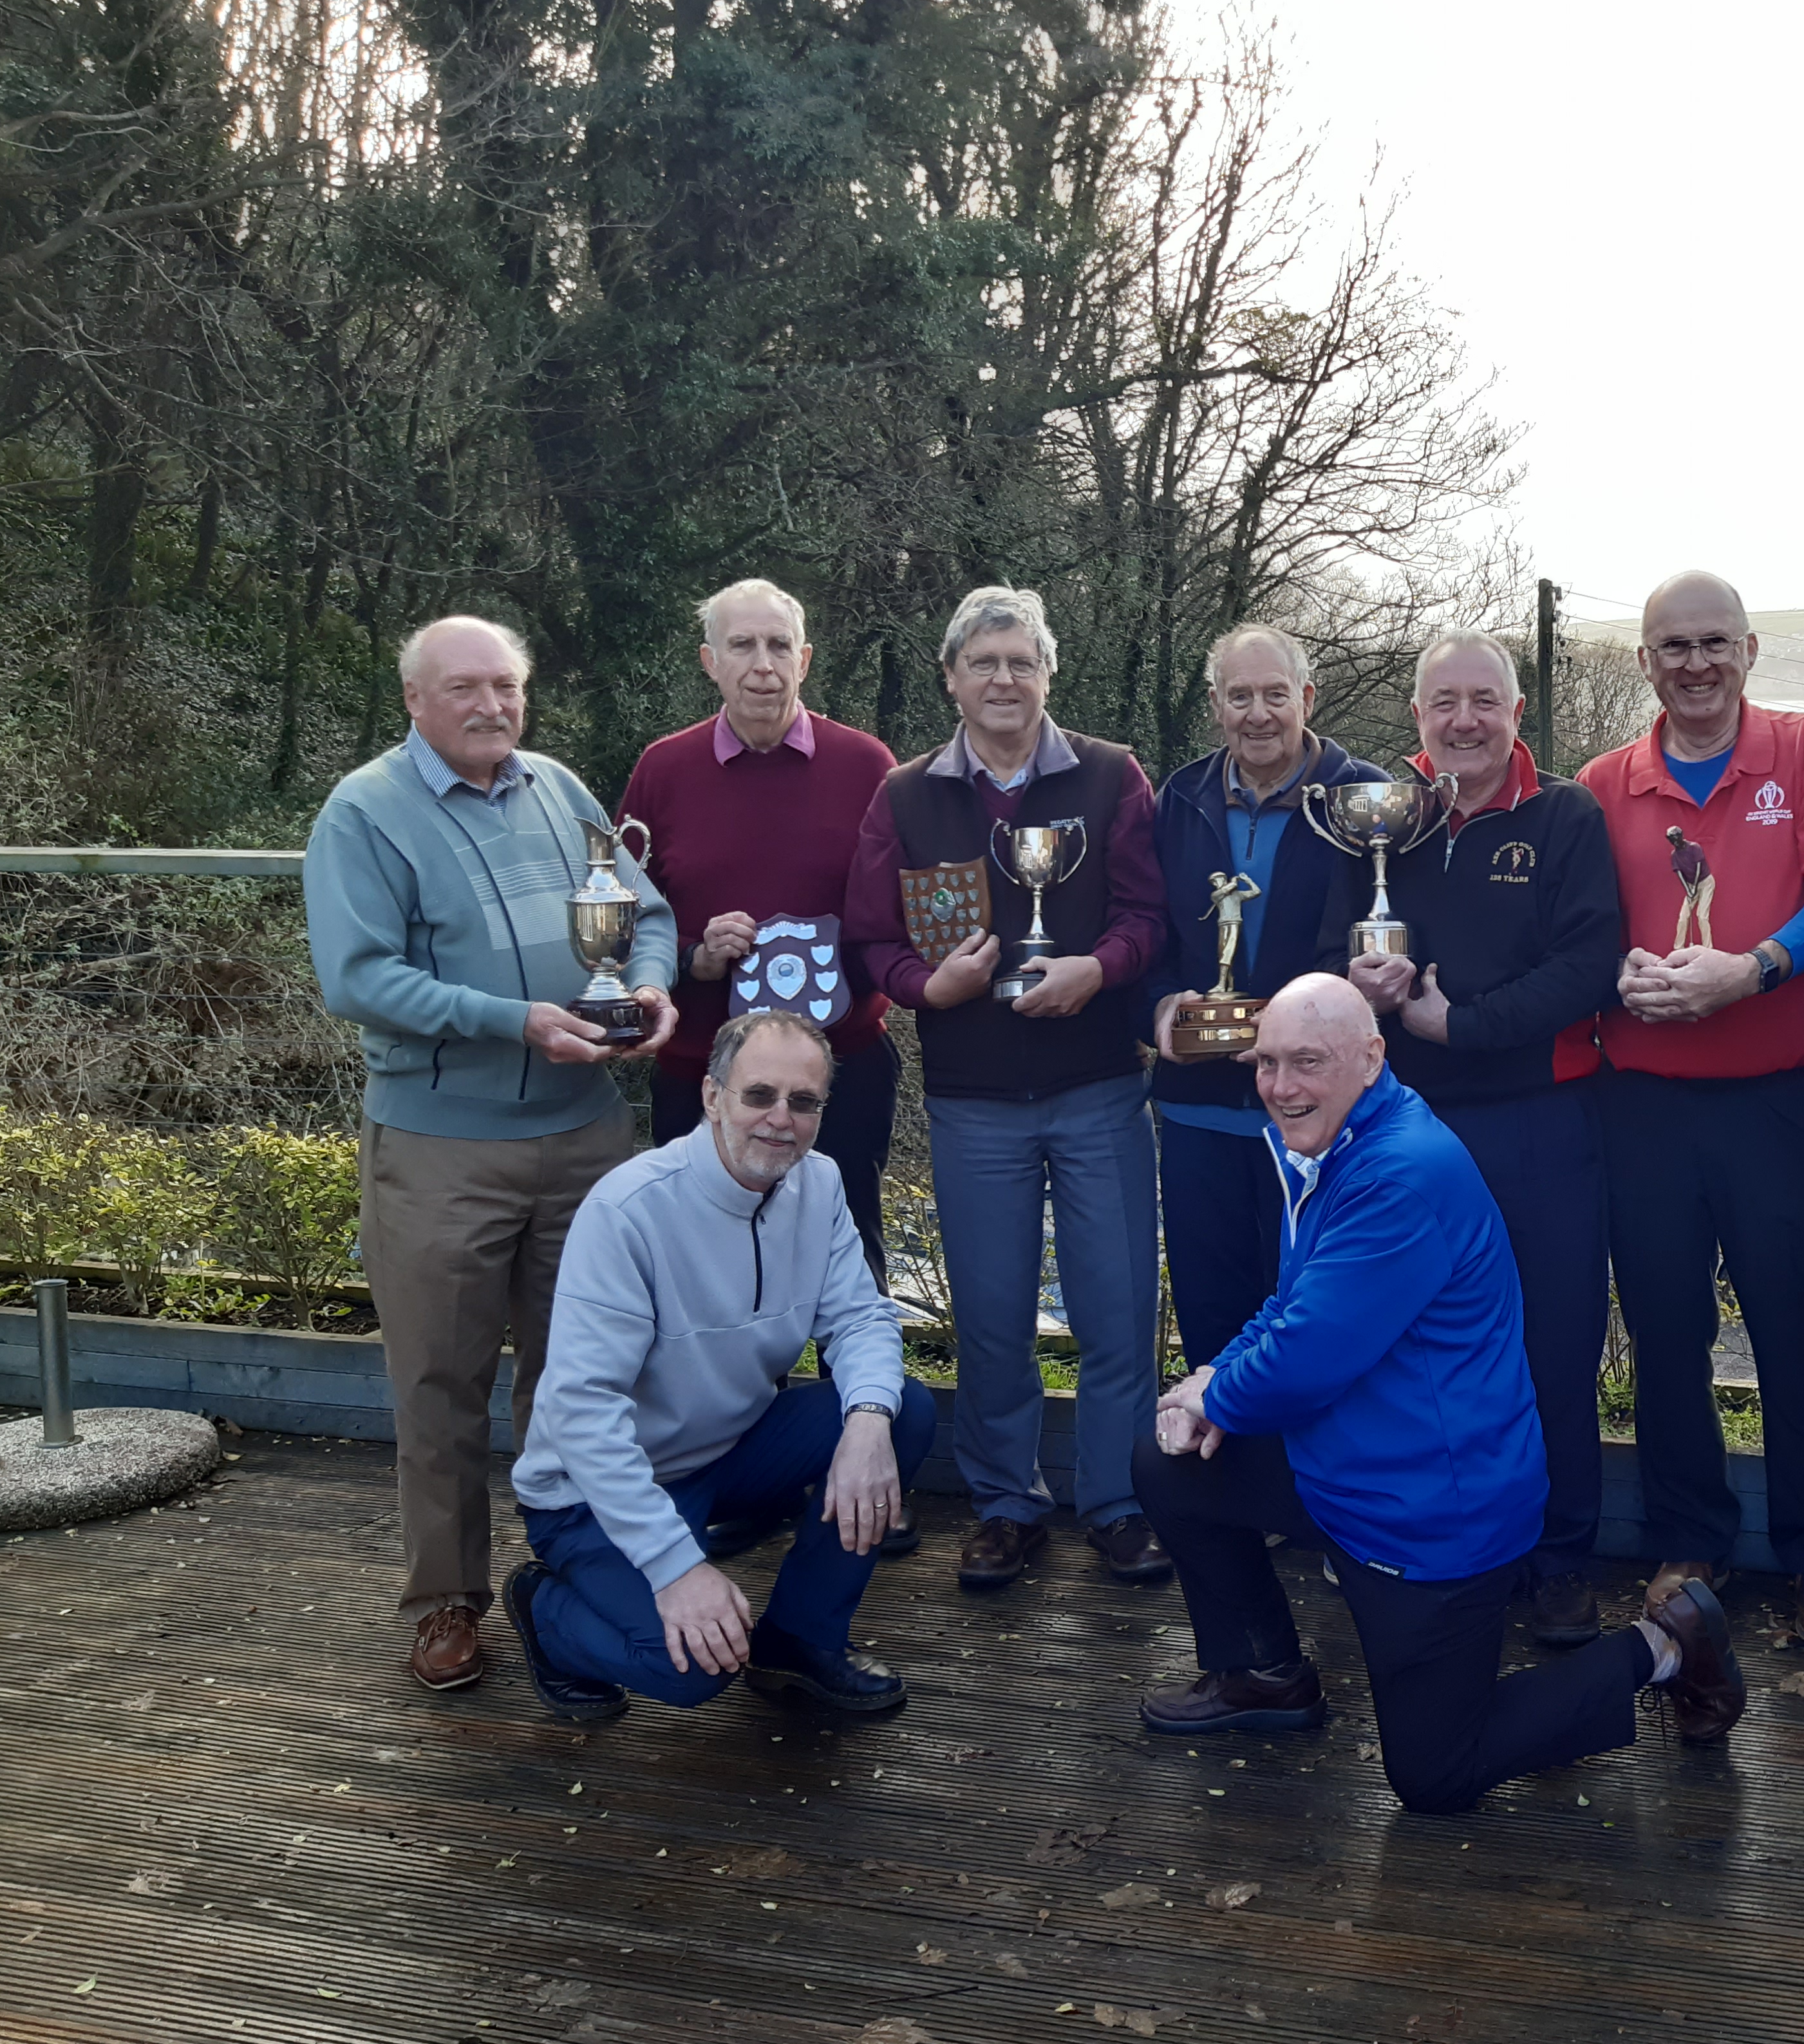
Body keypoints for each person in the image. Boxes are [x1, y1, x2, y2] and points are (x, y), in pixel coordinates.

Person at [1130, 976, 1747, 1814]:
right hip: (1348, 1470)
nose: (1280, 1086)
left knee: (1436, 1773)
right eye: (1268, 1061)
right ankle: (1265, 1676)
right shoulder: (1333, 1142)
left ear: (1372, 1057)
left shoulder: (1399, 1173)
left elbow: (1311, 1353)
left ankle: (1664, 1644)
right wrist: (1213, 1385)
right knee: (1169, 1460)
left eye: (1307, 1062)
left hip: (1432, 1511)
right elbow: (1295, 1303)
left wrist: (1222, 1393)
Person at [303, 615, 676, 1691]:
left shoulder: (560, 788)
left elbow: (644, 913)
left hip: (584, 1139)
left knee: (589, 1380)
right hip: (440, 1148)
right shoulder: (365, 813)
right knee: (440, 1384)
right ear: (413, 698)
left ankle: (588, 1581)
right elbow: (358, 979)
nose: (490, 706)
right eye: (464, 687)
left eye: (505, 686)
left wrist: (647, 986)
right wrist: (515, 1019)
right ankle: (445, 1601)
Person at [845, 585, 1172, 1591]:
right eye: (983, 664)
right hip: (971, 1098)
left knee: (1116, 1309)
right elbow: (869, 938)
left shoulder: (1114, 777)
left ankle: (1120, 1500)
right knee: (989, 1317)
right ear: (951, 677)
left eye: (1021, 662)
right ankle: (1004, 1501)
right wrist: (922, 986)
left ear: (1048, 674)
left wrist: (1099, 972)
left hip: (1099, 1087)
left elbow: (1149, 915)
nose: (1003, 681)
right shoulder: (904, 795)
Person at [1578, 572, 1804, 1645]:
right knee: (1664, 1335)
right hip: (1645, 1105)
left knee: (1802, 1335)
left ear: (1748, 650)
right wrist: (1617, 971)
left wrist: (1748, 971)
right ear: (1642, 662)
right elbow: (1574, 925)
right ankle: (1686, 1539)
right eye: (1672, 646)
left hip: (1782, 1101)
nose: (1693, 663)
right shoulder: (1601, 785)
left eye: (1713, 643)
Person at [504, 1012, 941, 1720]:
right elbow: (584, 1416)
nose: (781, 1120)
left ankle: (799, 1642)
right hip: (594, 1493)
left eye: (804, 1103)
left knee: (901, 1411)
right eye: (758, 1095)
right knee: (690, 1673)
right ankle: (545, 1610)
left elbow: (861, 1318)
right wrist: (676, 1568)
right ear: (711, 1097)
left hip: (728, 1452)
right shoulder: (628, 1212)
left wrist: (865, 1421)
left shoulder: (821, 1186)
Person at [1342, 630, 1624, 1646]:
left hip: (1539, 1121)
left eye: (1484, 702)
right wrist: (1361, 990)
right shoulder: (1380, 819)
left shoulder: (1565, 816)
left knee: (1551, 1345)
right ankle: (1432, 1551)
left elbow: (1589, 962)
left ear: (1516, 714)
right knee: (1410, 1344)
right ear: (1416, 715)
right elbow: (1337, 938)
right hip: (1405, 1130)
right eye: (1443, 702)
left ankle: (1557, 1562)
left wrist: (1459, 1025)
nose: (1464, 721)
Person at [621, 579, 907, 1285]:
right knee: (705, 1278)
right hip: (703, 1079)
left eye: (779, 646)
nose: (763, 665)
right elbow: (625, 920)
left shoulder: (870, 767)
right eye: (742, 646)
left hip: (840, 1072)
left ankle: (859, 1397)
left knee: (849, 1264)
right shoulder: (663, 770)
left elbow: (901, 911)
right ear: (709, 661)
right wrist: (695, 956)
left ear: (804, 660)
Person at [1150, 624, 1384, 1363]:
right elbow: (1142, 932)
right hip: (1199, 1117)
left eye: (1275, 695)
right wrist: (1158, 1012)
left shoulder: (1365, 797)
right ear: (1216, 707)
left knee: (1318, 1328)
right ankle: (1221, 1478)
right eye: (1239, 696)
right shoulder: (1178, 800)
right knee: (1214, 1333)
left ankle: (1315, 1485)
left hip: (1322, 1120)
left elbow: (1380, 939)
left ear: (1307, 698)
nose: (1258, 714)